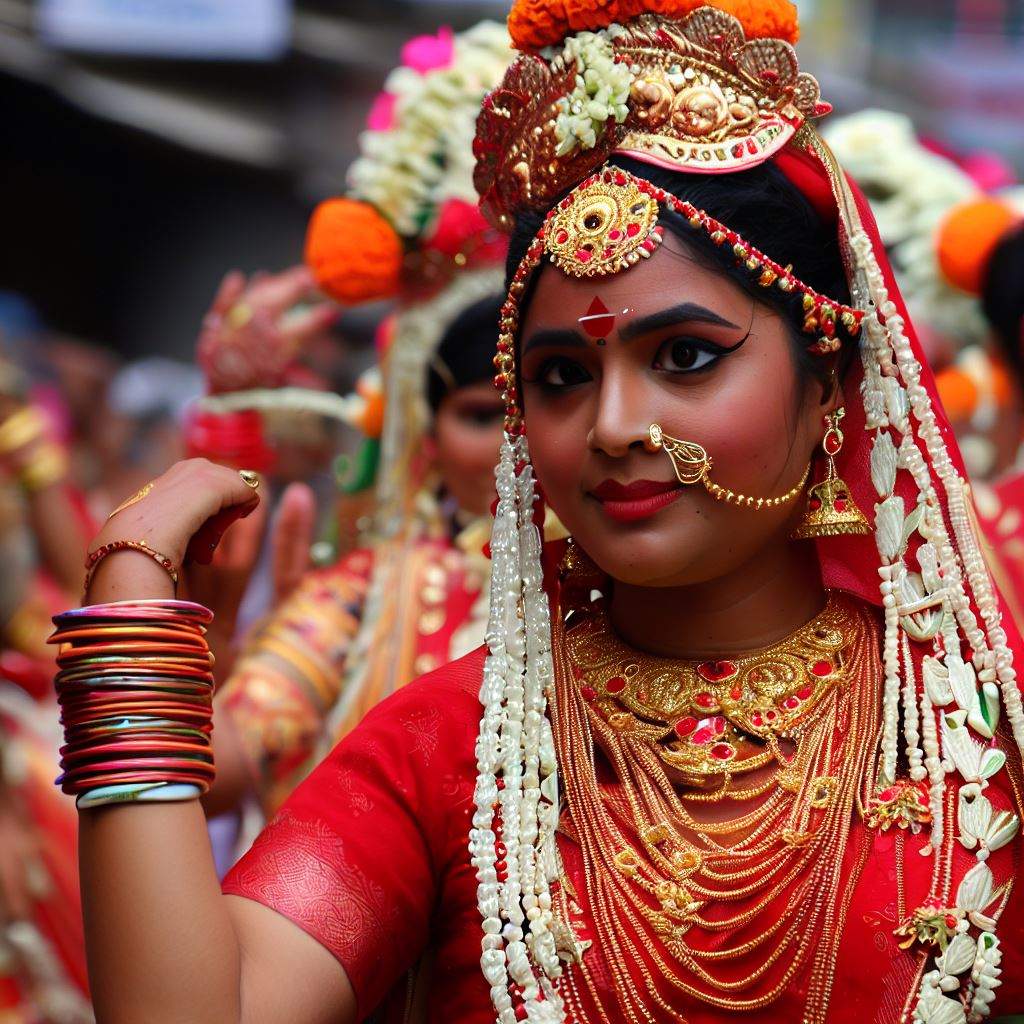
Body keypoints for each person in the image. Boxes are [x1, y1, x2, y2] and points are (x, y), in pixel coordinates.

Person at [53, 3, 1024, 1023]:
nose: (610, 426)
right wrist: (129, 629)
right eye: (560, 375)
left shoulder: (973, 732)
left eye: (685, 355)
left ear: (828, 381)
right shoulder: (452, 749)